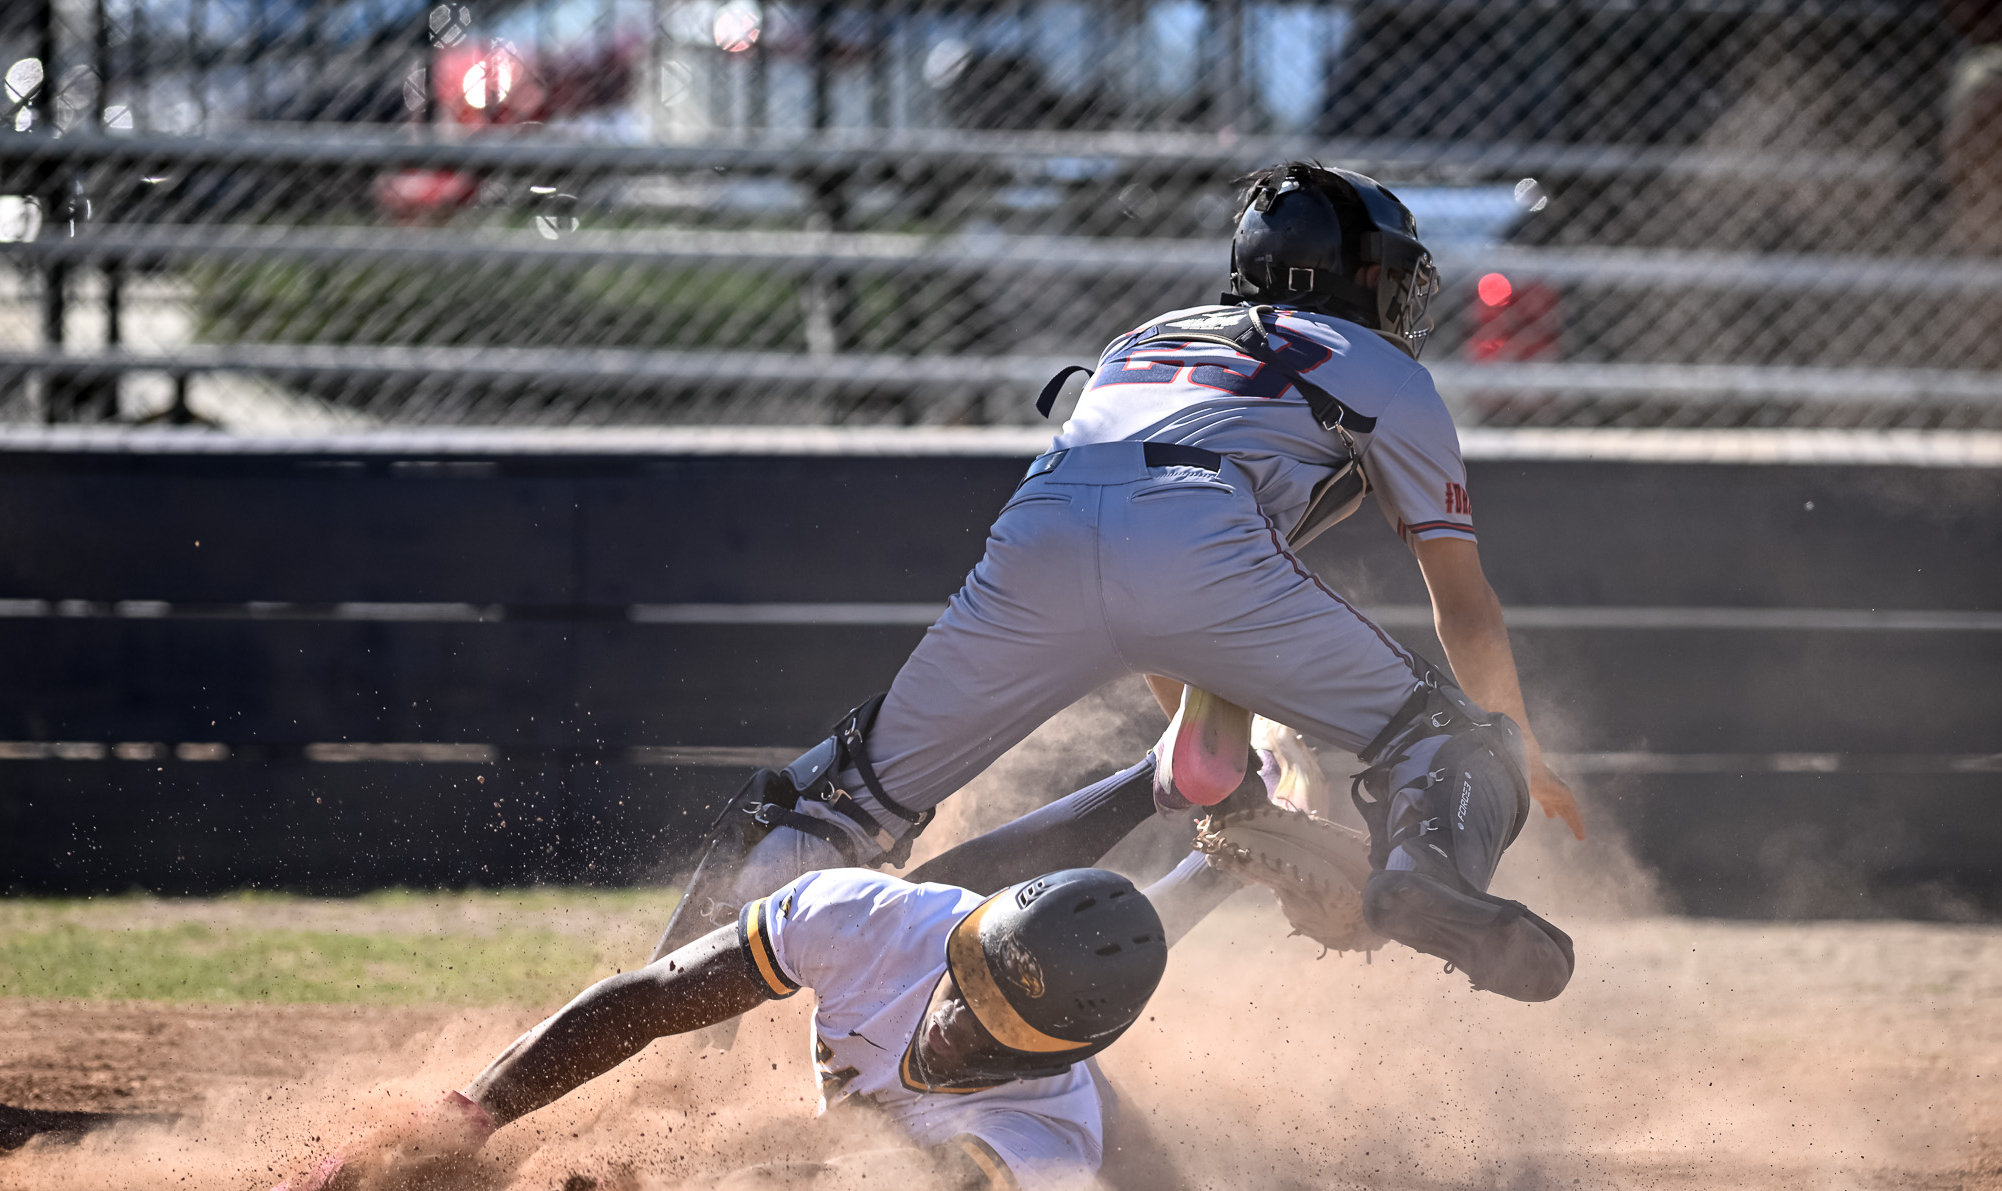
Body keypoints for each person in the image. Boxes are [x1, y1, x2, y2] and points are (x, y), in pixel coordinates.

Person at [657, 161, 1582, 1004]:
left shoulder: (1144, 336)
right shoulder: (1384, 369)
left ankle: (675, 1016)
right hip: (1199, 526)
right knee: (1462, 738)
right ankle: (1427, 877)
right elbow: (1463, 603)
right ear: (1353, 275)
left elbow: (1140, 583)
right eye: (1385, 271)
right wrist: (1519, 752)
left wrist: (1222, 768)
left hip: (1040, 526)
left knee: (836, 796)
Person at [265, 866, 1168, 1191]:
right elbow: (649, 999)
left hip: (1045, 1152)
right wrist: (468, 1115)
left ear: (1051, 1054)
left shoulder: (1047, 1136)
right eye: (962, 983)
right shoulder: (874, 921)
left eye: (992, 1029)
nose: (951, 1019)